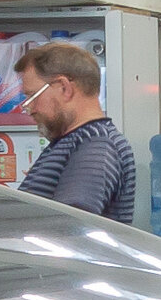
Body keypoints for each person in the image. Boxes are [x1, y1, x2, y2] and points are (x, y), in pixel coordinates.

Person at [9, 41, 136, 223]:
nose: (28, 108)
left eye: (32, 96)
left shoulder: (97, 144)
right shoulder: (73, 142)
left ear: (64, 87)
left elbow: (70, 226)